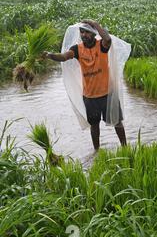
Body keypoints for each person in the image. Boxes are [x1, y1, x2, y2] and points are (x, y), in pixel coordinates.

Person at [43, 19, 127, 151]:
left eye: (87, 32)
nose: (83, 35)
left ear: (94, 34)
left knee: (117, 123)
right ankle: (97, 151)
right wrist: (50, 55)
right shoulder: (77, 49)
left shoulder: (102, 46)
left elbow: (108, 39)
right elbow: (64, 57)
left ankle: (125, 148)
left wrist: (95, 24)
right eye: (81, 32)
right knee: (94, 126)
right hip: (90, 97)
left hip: (108, 94)